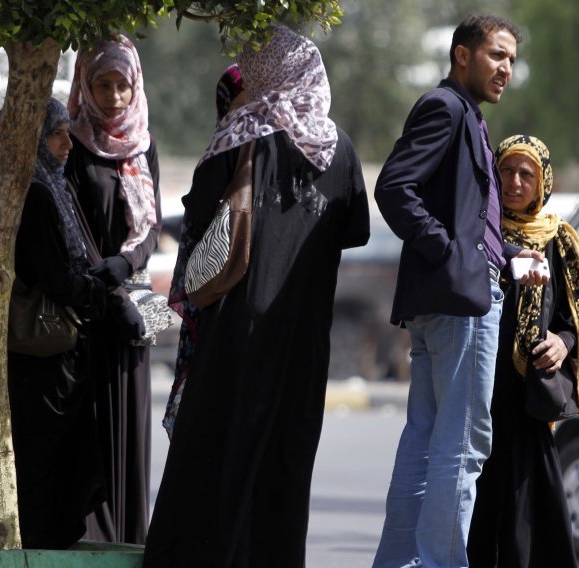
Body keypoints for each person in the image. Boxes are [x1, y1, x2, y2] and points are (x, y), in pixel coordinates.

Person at [143, 26, 370, 567]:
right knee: (284, 462)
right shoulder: (340, 149)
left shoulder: (243, 134)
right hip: (304, 340)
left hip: (237, 333)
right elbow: (356, 230)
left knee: (219, 453)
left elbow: (199, 213)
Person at [372, 14, 547, 568]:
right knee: (463, 447)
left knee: (424, 445)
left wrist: (510, 256)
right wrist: (453, 256)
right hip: (460, 306)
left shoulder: (467, 115)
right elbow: (395, 188)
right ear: (462, 55)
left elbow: (470, 219)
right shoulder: (446, 107)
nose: (506, 70)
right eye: (497, 56)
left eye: (512, 60)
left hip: (447, 302)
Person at [466, 134, 579, 567]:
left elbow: (575, 318)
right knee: (474, 508)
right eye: (506, 170)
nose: (515, 181)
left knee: (527, 512)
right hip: (477, 391)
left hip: (526, 401)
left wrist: (560, 345)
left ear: (543, 181)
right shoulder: (478, 230)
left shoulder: (558, 240)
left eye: (527, 173)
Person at [65, 34, 162, 544]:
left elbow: (152, 223)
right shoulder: (74, 143)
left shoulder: (143, 142)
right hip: (90, 311)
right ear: (85, 82)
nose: (114, 97)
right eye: (102, 84)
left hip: (130, 314)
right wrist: (110, 284)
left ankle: (129, 540)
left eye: (122, 84)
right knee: (94, 433)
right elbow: (73, 225)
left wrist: (129, 264)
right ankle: (94, 543)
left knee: (131, 430)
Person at [8, 97, 107, 549]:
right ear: (33, 138)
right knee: (43, 466)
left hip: (55, 357)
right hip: (44, 361)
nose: (68, 143)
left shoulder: (50, 185)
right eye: (56, 134)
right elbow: (54, 276)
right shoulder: (35, 193)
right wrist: (96, 291)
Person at [163, 63, 246, 438]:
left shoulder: (260, 146)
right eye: (247, 97)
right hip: (217, 292)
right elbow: (198, 210)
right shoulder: (227, 145)